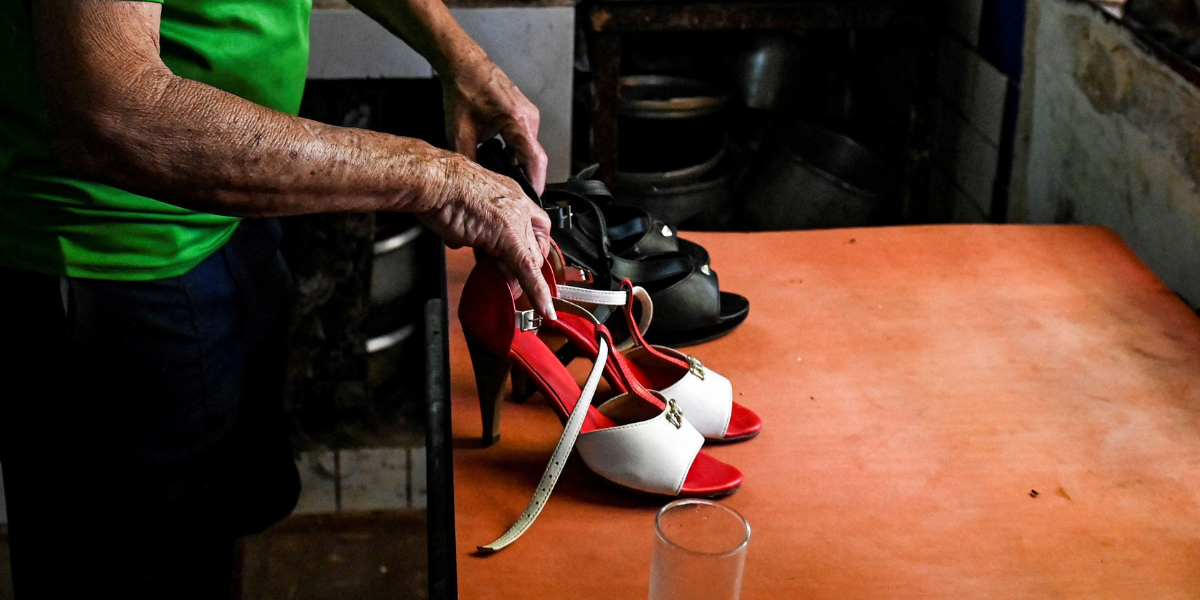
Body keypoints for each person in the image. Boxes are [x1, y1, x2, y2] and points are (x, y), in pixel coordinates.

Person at [0, 0, 557, 596]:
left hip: (231, 211)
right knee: (126, 571)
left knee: (208, 538)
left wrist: (463, 58)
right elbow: (109, 109)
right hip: (114, 260)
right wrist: (432, 176)